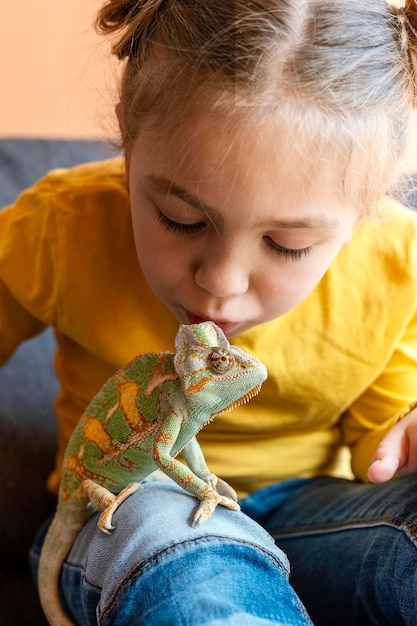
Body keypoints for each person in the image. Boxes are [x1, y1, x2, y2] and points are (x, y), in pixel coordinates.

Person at [1, 0, 417, 623]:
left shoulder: (399, 263)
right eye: (181, 219)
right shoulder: (60, 227)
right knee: (195, 577)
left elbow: (378, 446)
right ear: (128, 143)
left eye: (288, 245)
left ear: (365, 207)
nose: (219, 282)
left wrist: (402, 440)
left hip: (313, 519)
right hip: (133, 507)